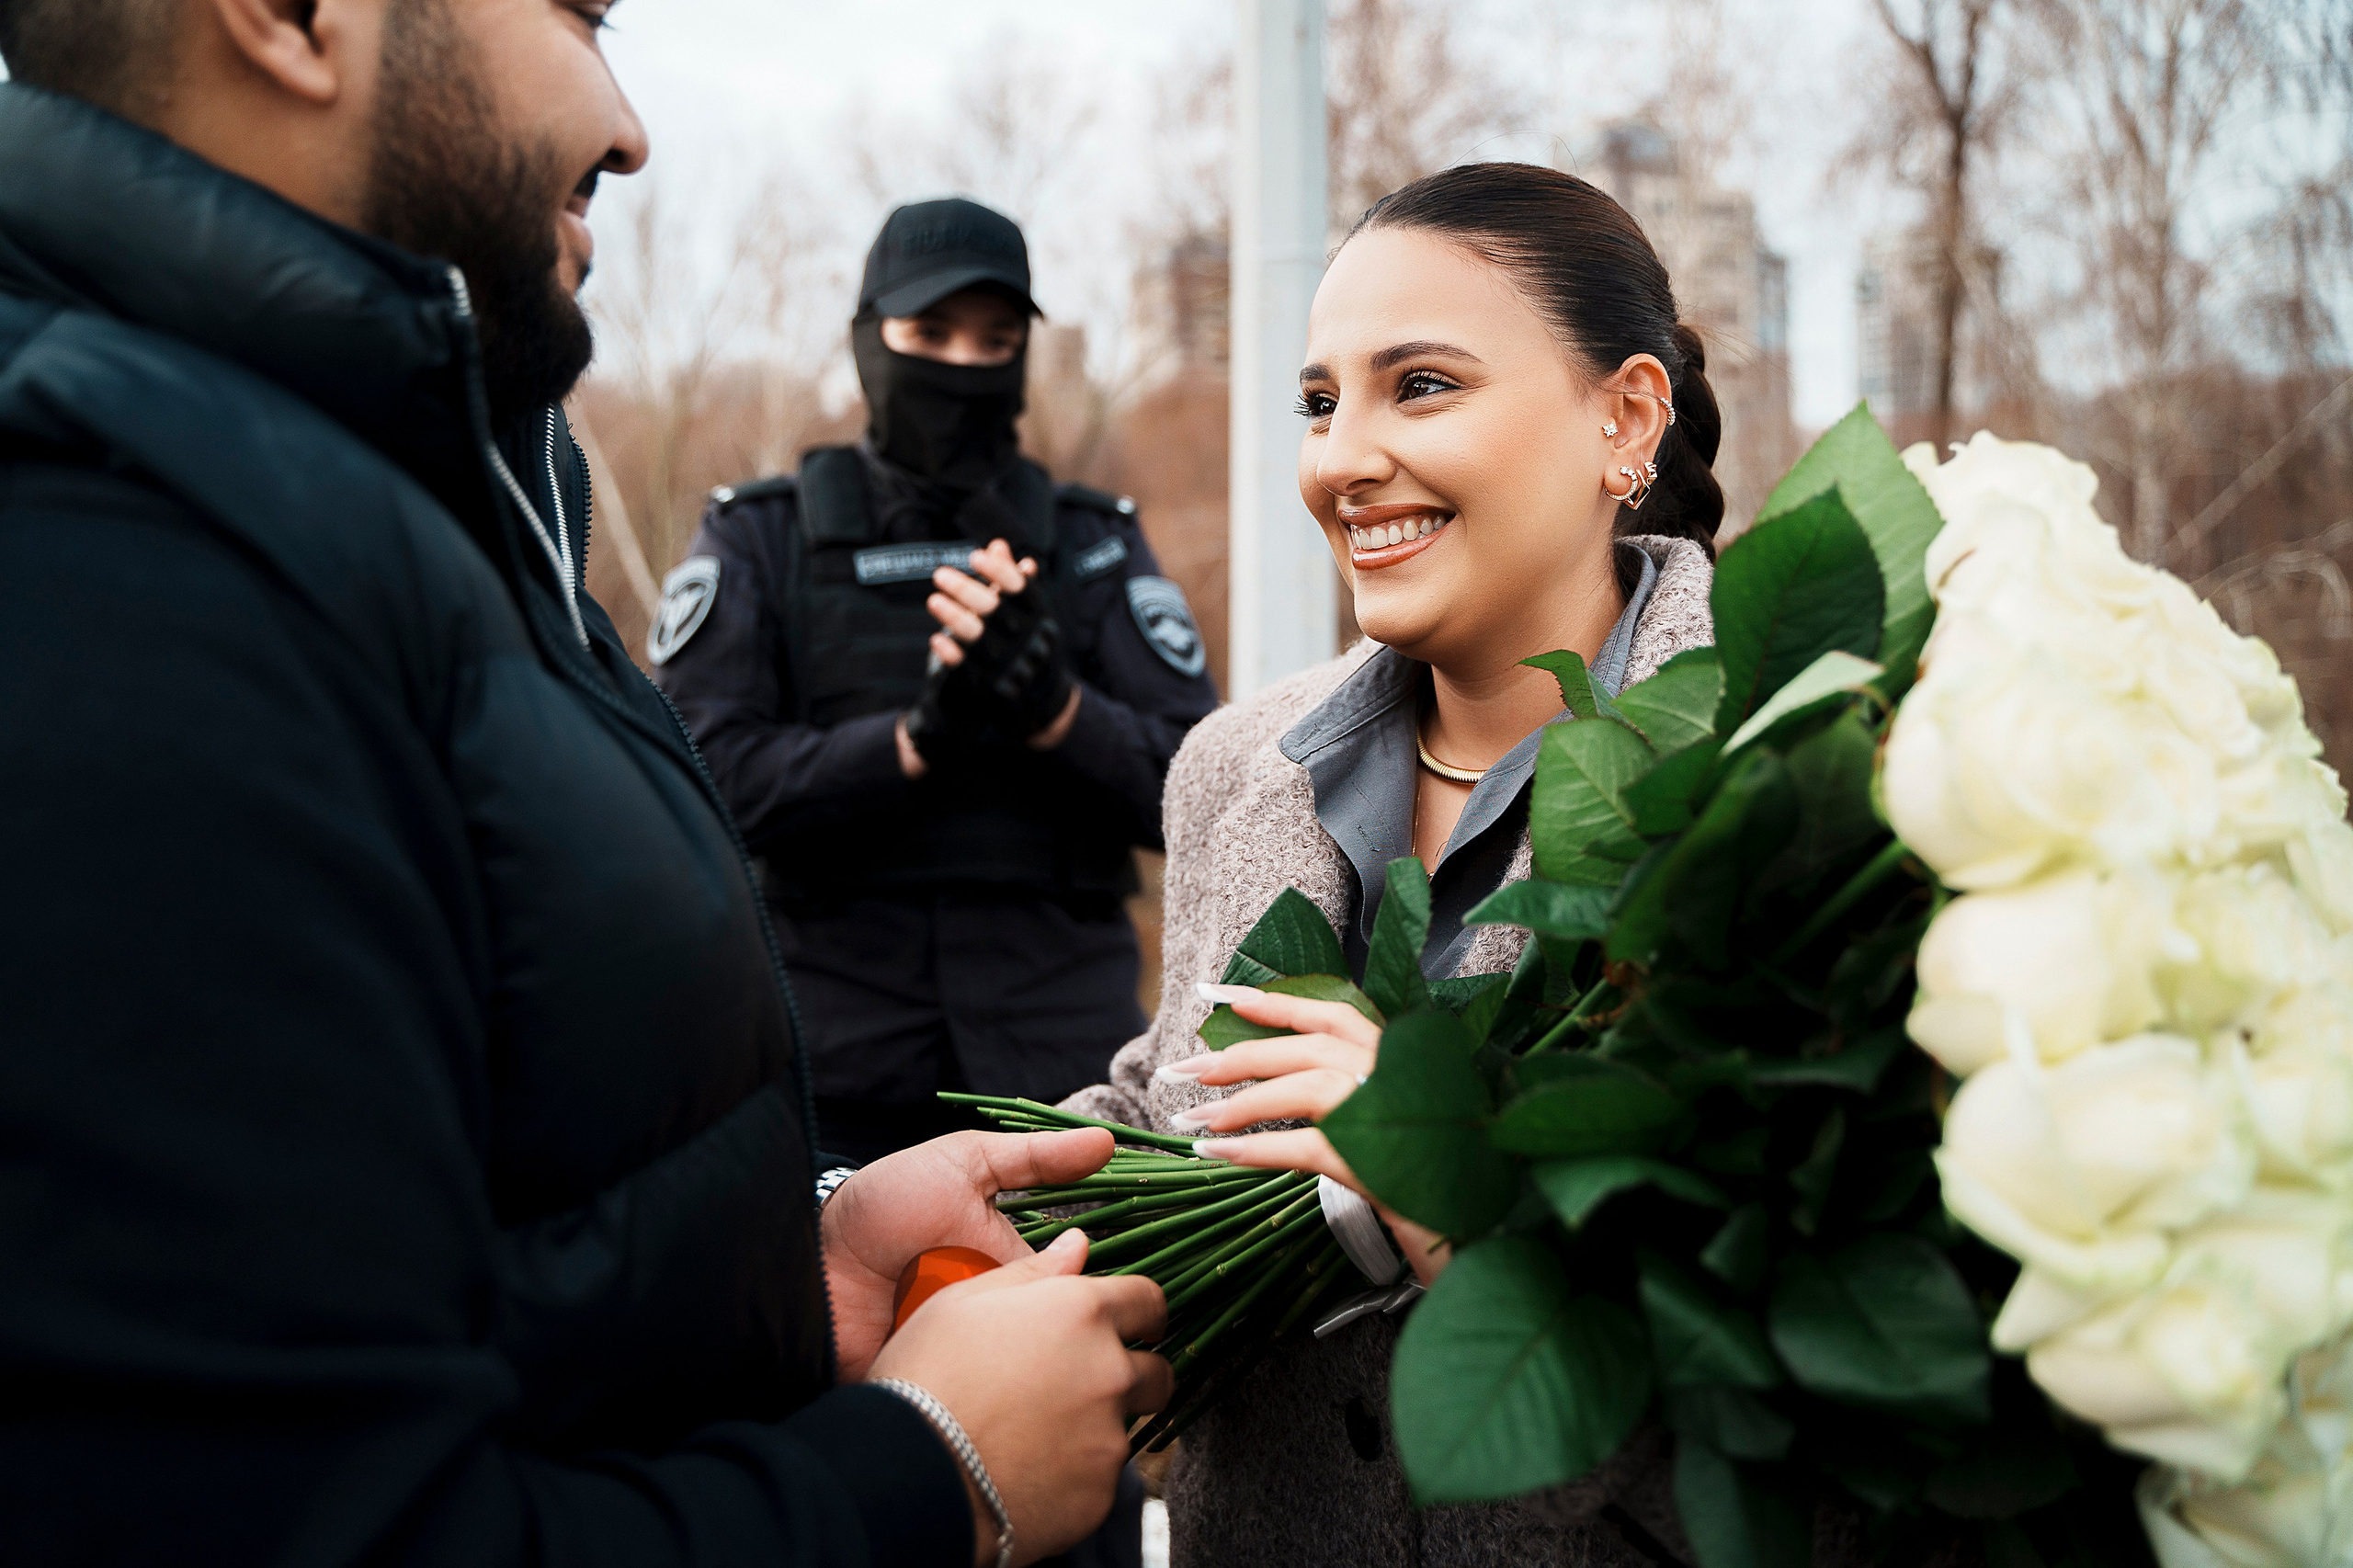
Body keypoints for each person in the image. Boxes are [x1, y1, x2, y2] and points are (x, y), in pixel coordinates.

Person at [0, 3, 1167, 1565]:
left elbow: (477, 1176)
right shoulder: (121, 562)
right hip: (872, 1091)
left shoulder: (458, 481)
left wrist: (786, 1250)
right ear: (287, 16)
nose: (629, 124)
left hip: (1007, 1109)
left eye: (994, 333)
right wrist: (927, 1477)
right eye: (577, 13)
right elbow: (287, 1510)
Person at [1062, 162, 1726, 1566]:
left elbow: (1855, 1451)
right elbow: (1165, 1097)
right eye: (1320, 399)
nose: (1339, 458)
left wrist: (1453, 1197)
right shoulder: (1235, 766)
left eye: (1420, 384)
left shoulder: (1781, 787)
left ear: (1626, 415)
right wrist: (996, 1190)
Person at [653, 198, 1219, 1166]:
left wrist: (1060, 714)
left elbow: (1201, 793)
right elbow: (697, 780)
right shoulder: (761, 536)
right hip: (830, 1080)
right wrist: (912, 741)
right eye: (931, 333)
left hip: (1069, 1085)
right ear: (870, 338)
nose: (962, 365)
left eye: (996, 339)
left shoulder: (1090, 544)